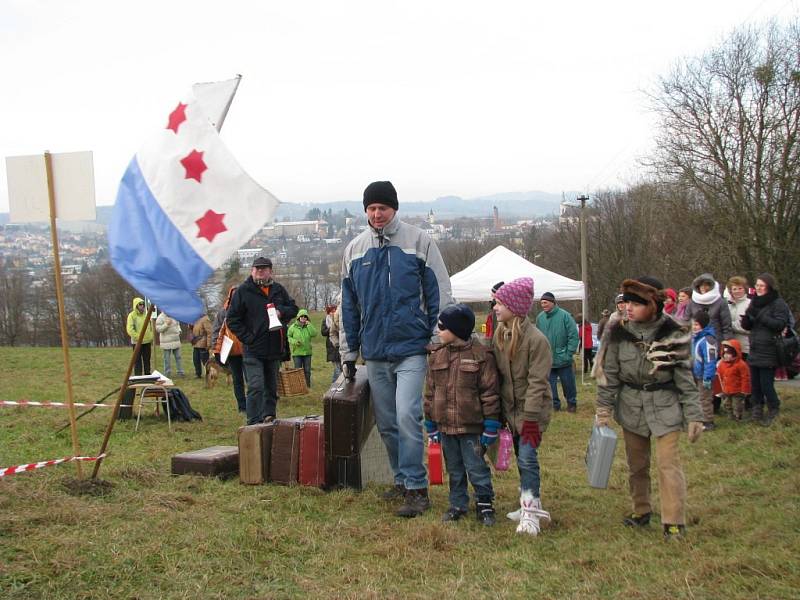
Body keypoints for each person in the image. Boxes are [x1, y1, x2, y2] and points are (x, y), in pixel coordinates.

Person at [340, 180, 453, 518]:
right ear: (365, 210)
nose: (377, 214)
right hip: (374, 352)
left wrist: (437, 336)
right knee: (387, 423)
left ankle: (418, 488)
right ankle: (401, 479)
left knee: (407, 415)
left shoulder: (419, 242)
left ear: (394, 209)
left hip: (412, 348)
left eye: (383, 208)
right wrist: (349, 352)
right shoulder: (354, 250)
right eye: (371, 208)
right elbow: (348, 306)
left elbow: (440, 291)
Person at [594, 276, 704, 540]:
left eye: (636, 303)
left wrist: (694, 416)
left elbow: (685, 379)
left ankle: (673, 521)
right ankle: (641, 509)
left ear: (653, 303)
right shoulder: (617, 331)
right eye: (627, 302)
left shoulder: (673, 332)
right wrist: (603, 410)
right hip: (631, 406)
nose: (628, 308)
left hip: (666, 407)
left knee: (668, 465)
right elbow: (609, 374)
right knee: (637, 465)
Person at [423, 304, 501, 526]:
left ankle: (485, 503)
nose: (438, 331)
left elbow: (490, 392)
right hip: (445, 427)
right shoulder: (436, 356)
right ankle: (457, 504)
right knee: (454, 469)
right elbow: (430, 391)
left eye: (442, 327)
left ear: (456, 330)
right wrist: (430, 422)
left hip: (471, 427)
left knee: (476, 467)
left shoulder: (481, 356)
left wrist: (491, 425)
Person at [492, 277, 553, 536]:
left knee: (528, 459)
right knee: (519, 457)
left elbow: (537, 383)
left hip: (532, 413)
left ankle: (531, 513)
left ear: (514, 307)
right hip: (510, 412)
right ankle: (527, 501)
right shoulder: (500, 337)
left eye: (499, 303)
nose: (495, 307)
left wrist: (530, 419)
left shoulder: (537, 341)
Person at [227, 256, 299, 425]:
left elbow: (293, 308)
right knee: (256, 386)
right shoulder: (243, 291)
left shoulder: (278, 290)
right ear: (252, 271)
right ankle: (253, 422)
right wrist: (248, 338)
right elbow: (232, 319)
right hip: (253, 349)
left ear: (270, 271)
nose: (260, 271)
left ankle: (269, 417)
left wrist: (281, 311)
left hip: (274, 347)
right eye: (257, 269)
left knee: (271, 388)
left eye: (264, 269)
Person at [741, 273, 792, 426]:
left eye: (762, 286)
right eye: (757, 285)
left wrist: (759, 316)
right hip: (755, 346)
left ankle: (773, 409)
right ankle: (757, 410)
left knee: (766, 384)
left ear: (769, 286)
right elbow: (750, 324)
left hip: (770, 348)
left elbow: (780, 324)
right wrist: (746, 321)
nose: (758, 288)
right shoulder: (755, 302)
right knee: (755, 384)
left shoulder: (778, 303)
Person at [536, 291, 579, 412]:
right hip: (547, 359)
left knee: (568, 384)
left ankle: (572, 403)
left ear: (553, 302)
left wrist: (568, 353)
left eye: (545, 302)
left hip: (563, 358)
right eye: (541, 303)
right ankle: (554, 405)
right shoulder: (540, 318)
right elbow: (538, 337)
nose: (543, 305)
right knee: (550, 386)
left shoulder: (565, 316)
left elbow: (573, 336)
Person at [211, 286, 247, 414]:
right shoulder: (223, 312)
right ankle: (242, 406)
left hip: (248, 349)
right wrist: (216, 350)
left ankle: (253, 404)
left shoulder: (249, 310)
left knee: (252, 379)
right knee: (238, 380)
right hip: (231, 351)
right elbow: (216, 331)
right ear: (230, 297)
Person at [685, 273, 733, 350]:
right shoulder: (692, 302)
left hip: (715, 342)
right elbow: (686, 321)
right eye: (701, 285)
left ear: (711, 287)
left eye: (706, 285)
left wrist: (727, 346)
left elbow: (726, 326)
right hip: (695, 342)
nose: (703, 287)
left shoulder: (721, 302)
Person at [691, 312, 718, 431]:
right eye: (693, 324)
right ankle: (699, 418)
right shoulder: (695, 338)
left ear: (704, 325)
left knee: (705, 398)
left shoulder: (708, 340)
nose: (694, 327)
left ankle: (708, 421)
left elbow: (710, 361)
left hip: (704, 376)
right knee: (697, 398)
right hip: (696, 374)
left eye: (697, 325)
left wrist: (708, 377)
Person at [716, 339, 750, 421]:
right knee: (727, 404)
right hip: (726, 390)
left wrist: (745, 390)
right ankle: (730, 416)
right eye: (724, 354)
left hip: (737, 391)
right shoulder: (721, 364)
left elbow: (745, 377)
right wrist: (718, 390)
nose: (726, 356)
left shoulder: (741, 365)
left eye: (729, 354)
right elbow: (718, 377)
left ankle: (737, 417)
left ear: (735, 353)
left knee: (737, 404)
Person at [287, 309, 317, 387]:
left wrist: (309, 325)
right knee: (298, 370)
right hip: (297, 352)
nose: (303, 318)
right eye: (302, 316)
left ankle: (307, 386)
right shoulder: (292, 327)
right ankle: (299, 386)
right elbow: (288, 337)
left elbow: (314, 334)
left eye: (305, 316)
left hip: (307, 352)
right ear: (298, 317)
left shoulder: (308, 326)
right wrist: (294, 342)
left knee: (307, 371)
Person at [725, 276, 751, 359]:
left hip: (745, 347)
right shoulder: (728, 306)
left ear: (745, 289)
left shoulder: (750, 304)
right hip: (730, 347)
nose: (737, 291)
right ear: (731, 291)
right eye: (735, 289)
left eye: (740, 288)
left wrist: (728, 325)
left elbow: (747, 327)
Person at [126, 297, 153, 375]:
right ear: (136, 305)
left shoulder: (147, 314)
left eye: (143, 304)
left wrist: (151, 336)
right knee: (137, 361)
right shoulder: (131, 316)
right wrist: (138, 337)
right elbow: (130, 329)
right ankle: (138, 376)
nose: (142, 306)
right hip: (137, 342)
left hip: (147, 342)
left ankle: (148, 376)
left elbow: (151, 327)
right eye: (140, 304)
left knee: (147, 360)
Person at [155, 311, 185, 378]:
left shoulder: (174, 314)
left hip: (176, 339)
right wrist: (166, 324)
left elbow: (177, 324)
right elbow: (158, 329)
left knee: (178, 357)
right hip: (166, 341)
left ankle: (180, 372)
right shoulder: (160, 317)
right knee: (167, 359)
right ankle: (167, 373)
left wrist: (179, 331)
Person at [320, 303, 342, 383]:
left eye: (335, 310)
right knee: (337, 369)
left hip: (340, 345)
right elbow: (323, 332)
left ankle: (335, 384)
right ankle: (336, 385)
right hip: (331, 346)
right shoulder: (325, 320)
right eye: (332, 311)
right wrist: (331, 328)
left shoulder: (340, 319)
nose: (333, 312)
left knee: (341, 368)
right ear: (328, 312)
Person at [191, 313, 212, 379]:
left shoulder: (205, 319)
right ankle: (198, 374)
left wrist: (208, 344)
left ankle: (209, 374)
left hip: (203, 343)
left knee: (205, 361)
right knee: (195, 359)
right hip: (196, 342)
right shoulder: (195, 318)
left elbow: (209, 332)